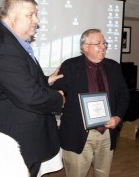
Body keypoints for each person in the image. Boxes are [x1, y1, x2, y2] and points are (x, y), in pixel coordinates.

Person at [0, 0, 65, 177]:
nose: (36, 21)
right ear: (13, 16)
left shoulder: (5, 39)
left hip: (15, 135)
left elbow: (14, 81)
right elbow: (30, 96)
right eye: (31, 15)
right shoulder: (4, 47)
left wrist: (46, 81)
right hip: (13, 139)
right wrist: (59, 99)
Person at [53, 29, 129, 177]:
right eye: (98, 43)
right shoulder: (70, 66)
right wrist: (59, 96)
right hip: (78, 133)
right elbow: (58, 91)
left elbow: (124, 95)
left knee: (103, 174)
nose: (103, 47)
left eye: (104, 43)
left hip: (107, 132)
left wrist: (118, 117)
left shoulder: (113, 66)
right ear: (85, 47)